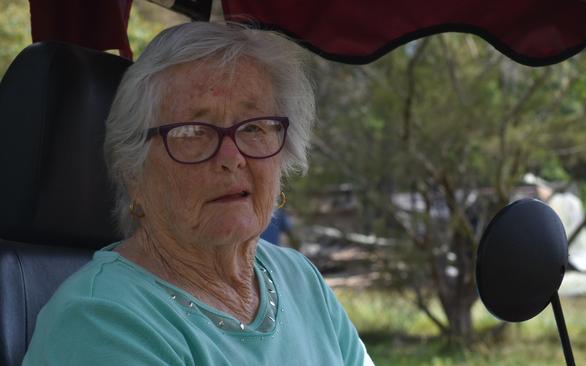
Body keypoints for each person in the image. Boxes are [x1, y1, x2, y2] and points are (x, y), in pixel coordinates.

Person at [23, 21, 374, 366]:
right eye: (192, 131)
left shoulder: (298, 276)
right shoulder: (98, 323)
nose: (232, 159)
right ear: (133, 171)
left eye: (253, 127)